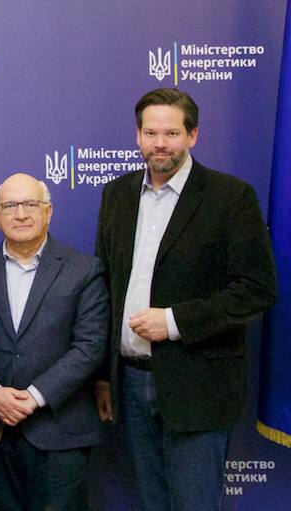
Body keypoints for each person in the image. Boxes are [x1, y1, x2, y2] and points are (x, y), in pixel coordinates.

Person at [95, 88, 277, 511]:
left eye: (172, 133)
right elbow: (106, 288)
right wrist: (104, 376)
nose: (160, 143)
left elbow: (257, 289)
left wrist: (174, 322)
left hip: (197, 386)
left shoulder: (230, 197)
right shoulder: (117, 194)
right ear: (138, 136)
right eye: (150, 133)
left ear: (193, 135)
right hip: (130, 382)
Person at [0, 173, 108, 511]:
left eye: (30, 204)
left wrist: (35, 396)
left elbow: (90, 345)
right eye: (10, 206)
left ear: (48, 212)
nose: (20, 214)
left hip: (60, 433)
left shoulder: (84, 270)